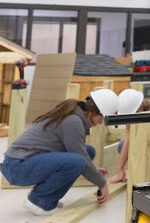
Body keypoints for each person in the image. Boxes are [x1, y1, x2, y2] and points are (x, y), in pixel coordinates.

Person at [1, 88, 118, 216]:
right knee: (78, 161)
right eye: (100, 120)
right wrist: (102, 183)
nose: (99, 124)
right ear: (94, 112)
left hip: (24, 163)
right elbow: (80, 158)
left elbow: (81, 153)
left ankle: (49, 198)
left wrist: (93, 171)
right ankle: (39, 201)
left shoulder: (74, 117)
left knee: (87, 152)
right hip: (17, 166)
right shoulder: (73, 121)